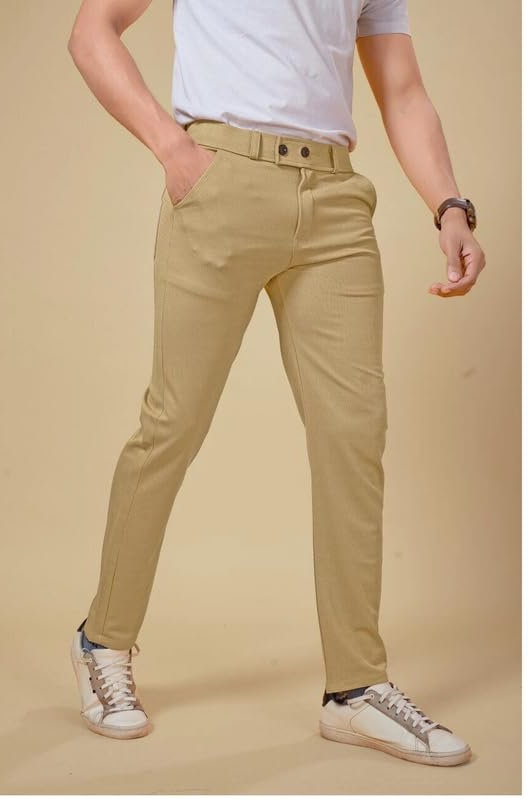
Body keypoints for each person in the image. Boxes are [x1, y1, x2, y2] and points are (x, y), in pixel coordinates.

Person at [67, 0, 485, 764]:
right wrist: (173, 149)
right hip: (219, 181)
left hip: (334, 201)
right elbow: (92, 31)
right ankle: (104, 640)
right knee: (173, 423)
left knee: (354, 437)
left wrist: (449, 206)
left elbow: (402, 90)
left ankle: (354, 690)